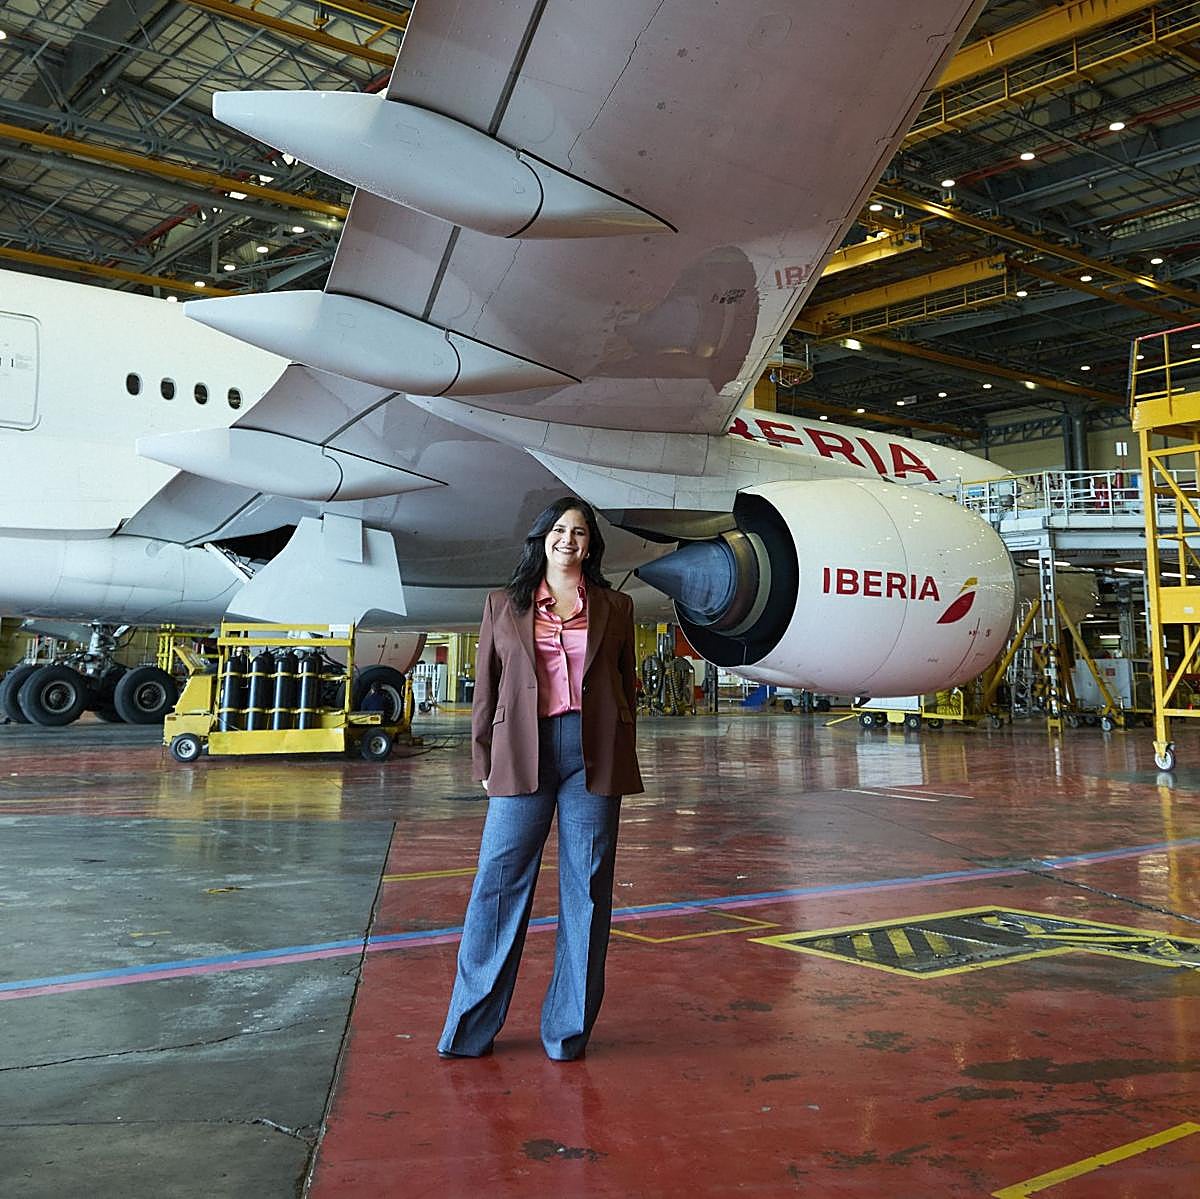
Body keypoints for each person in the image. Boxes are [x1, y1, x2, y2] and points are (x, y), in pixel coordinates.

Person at [438, 496, 643, 1061]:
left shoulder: (616, 606)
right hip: (522, 753)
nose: (568, 541)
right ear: (540, 539)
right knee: (497, 887)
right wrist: (484, 762)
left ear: (590, 545)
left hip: (591, 757)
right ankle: (470, 1028)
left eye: (579, 532)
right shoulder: (504, 605)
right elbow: (486, 689)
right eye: (558, 530)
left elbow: (627, 687)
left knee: (589, 890)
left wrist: (621, 746)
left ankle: (567, 1032)